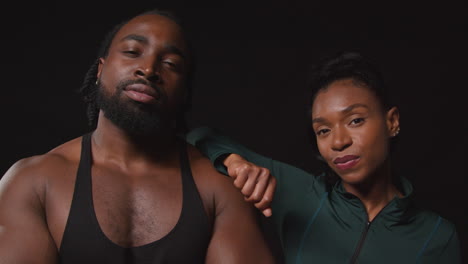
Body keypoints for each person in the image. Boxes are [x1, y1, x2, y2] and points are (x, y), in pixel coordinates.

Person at [0, 9, 275, 264]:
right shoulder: (34, 181)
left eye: (170, 64)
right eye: (132, 52)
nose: (149, 69)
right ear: (99, 71)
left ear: (185, 93)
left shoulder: (218, 187)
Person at [187, 52, 461, 263]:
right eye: (324, 130)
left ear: (392, 122)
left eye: (355, 120)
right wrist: (237, 162)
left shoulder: (437, 236)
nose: (338, 142)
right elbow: (199, 136)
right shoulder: (300, 195)